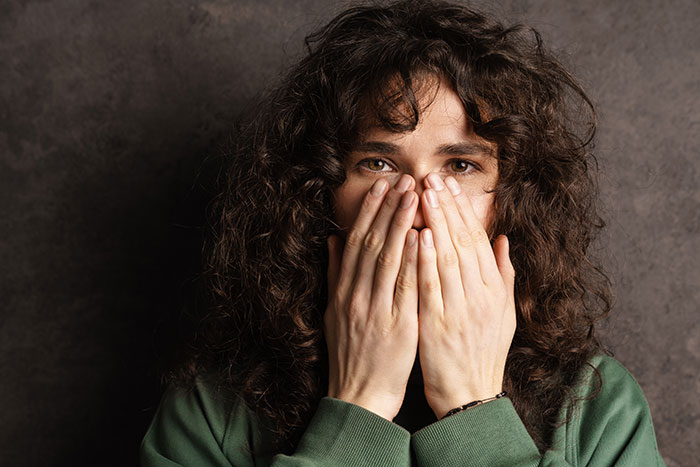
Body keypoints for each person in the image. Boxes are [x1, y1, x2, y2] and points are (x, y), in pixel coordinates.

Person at [140, 0, 666, 465]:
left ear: (511, 199)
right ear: (320, 191)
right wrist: (358, 409)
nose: (417, 203)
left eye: (460, 166)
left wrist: (474, 411)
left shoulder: (599, 408)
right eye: (378, 163)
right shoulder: (212, 407)